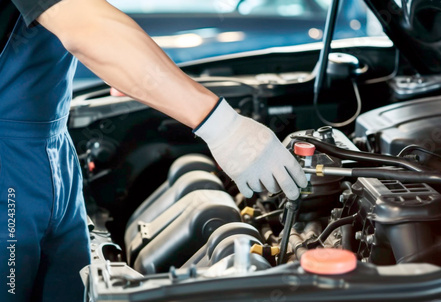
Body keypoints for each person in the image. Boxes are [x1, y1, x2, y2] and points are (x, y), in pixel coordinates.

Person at [0, 0, 307, 301]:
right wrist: (224, 127)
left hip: (53, 153)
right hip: (8, 166)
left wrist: (129, 67)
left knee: (68, 287)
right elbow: (83, 24)